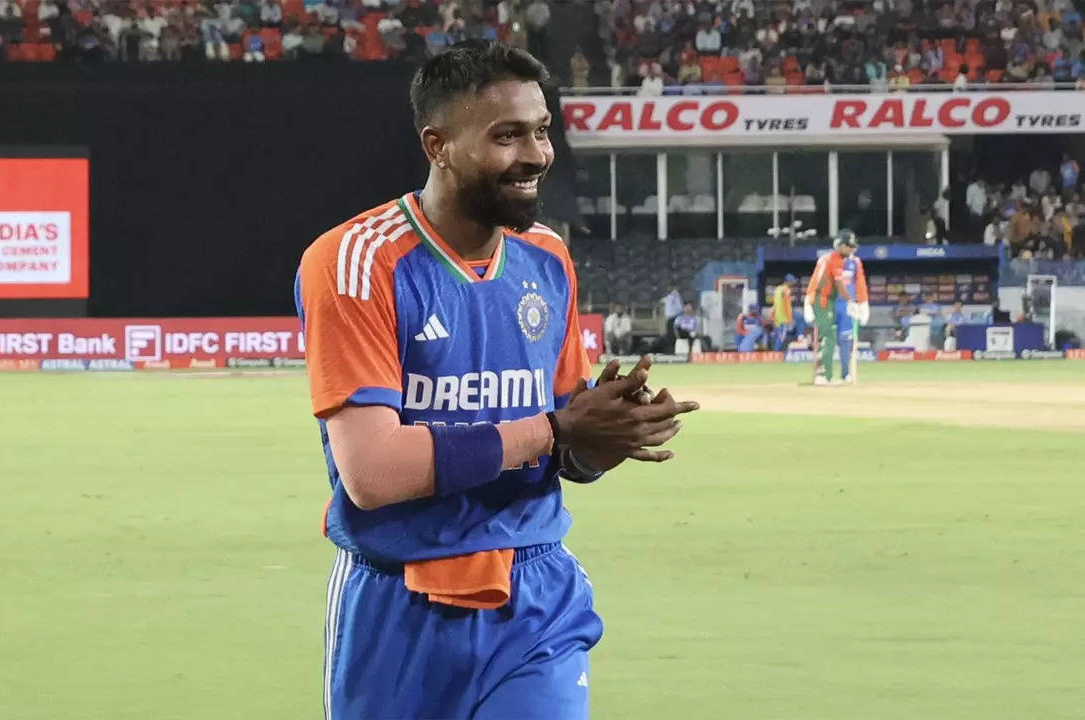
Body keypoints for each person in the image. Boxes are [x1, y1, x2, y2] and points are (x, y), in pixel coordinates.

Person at [294, 42, 699, 720]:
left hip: (535, 595)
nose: (537, 154)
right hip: (399, 602)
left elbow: (565, 448)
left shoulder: (546, 256)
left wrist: (607, 435)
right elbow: (372, 473)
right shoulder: (355, 260)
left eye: (540, 130)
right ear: (439, 145)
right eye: (506, 136)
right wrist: (554, 429)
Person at [803, 230, 868, 385]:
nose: (852, 249)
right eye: (849, 246)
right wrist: (809, 300)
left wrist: (862, 302)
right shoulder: (828, 259)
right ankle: (822, 375)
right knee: (826, 338)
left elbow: (856, 283)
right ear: (840, 245)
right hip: (825, 302)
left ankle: (837, 375)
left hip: (838, 303)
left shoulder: (849, 261)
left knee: (840, 338)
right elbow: (821, 282)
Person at [771, 274, 797, 350]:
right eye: (792, 282)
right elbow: (787, 306)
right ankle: (777, 355)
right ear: (788, 282)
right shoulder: (787, 290)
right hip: (783, 319)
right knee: (781, 338)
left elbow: (775, 304)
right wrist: (790, 319)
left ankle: (775, 354)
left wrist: (772, 316)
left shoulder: (778, 289)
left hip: (776, 319)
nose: (793, 283)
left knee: (778, 337)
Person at [660, 284, 682, 352]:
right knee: (669, 336)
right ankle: (669, 351)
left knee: (674, 336)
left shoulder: (677, 297)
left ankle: (674, 350)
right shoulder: (667, 298)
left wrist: (675, 298)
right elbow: (661, 301)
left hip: (676, 318)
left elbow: (680, 308)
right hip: (669, 319)